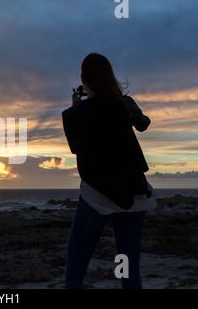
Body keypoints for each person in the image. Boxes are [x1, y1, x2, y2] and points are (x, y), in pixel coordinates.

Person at [62, 53, 156, 289]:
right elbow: (143, 123)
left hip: (97, 196)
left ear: (85, 80)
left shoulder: (75, 114)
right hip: (134, 196)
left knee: (75, 269)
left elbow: (76, 147)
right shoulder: (124, 104)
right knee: (129, 271)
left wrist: (77, 108)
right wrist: (125, 103)